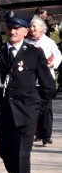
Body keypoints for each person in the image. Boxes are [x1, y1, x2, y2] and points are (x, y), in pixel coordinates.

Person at [0, 11, 56, 173]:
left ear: (25, 31)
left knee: (20, 157)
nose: (12, 31)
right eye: (9, 27)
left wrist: (39, 109)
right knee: (6, 156)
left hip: (26, 115)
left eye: (17, 28)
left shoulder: (33, 53)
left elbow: (48, 86)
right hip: (3, 115)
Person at [26, 16, 60, 145]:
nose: (32, 29)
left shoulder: (48, 42)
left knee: (46, 108)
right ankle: (37, 133)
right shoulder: (26, 42)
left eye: (35, 26)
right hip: (31, 81)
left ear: (42, 28)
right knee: (34, 108)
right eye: (31, 26)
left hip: (45, 81)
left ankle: (46, 135)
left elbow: (58, 55)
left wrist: (53, 64)